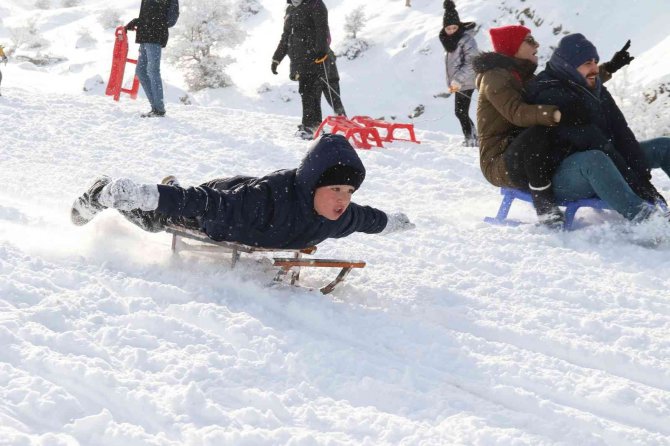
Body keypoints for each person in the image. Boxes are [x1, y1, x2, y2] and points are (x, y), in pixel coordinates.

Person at [70, 134, 415, 250]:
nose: (343, 198)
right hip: (225, 205)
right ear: (312, 187)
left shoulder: (339, 216)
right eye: (335, 188)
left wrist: (394, 222)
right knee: (157, 222)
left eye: (350, 190)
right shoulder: (262, 203)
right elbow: (203, 203)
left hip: (245, 196)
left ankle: (167, 185)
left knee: (179, 200)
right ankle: (102, 194)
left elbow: (369, 218)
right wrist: (148, 194)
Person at [473, 25, 634, 226]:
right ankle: (544, 204)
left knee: (562, 124)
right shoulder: (494, 77)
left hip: (528, 152)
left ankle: (606, 182)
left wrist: (608, 68)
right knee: (543, 128)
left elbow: (569, 82)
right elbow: (516, 112)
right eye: (529, 40)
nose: (537, 44)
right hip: (501, 160)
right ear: (513, 46)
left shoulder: (523, 75)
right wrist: (557, 114)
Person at [524, 34, 669, 223]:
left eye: (595, 61)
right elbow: (594, 142)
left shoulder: (591, 85)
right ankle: (650, 223)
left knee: (664, 146)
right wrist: (640, 186)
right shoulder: (550, 92)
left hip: (605, 159)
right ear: (569, 66)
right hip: (563, 176)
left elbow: (620, 131)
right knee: (596, 159)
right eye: (587, 63)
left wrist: (641, 174)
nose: (594, 69)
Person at [271, 0, 336, 140]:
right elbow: (286, 36)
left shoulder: (315, 4)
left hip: (314, 57)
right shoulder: (290, 9)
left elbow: (322, 28)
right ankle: (313, 126)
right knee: (305, 91)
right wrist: (276, 58)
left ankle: (310, 127)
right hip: (298, 60)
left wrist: (321, 51)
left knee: (311, 91)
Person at [125, 0, 179, 118]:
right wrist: (137, 21)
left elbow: (172, 19)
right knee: (141, 72)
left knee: (153, 71)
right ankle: (155, 107)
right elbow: (148, 14)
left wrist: (155, 23)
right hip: (145, 36)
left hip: (155, 36)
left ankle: (159, 110)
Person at [439, 1, 479, 147]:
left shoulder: (466, 39)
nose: (451, 30)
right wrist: (453, 82)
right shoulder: (449, 41)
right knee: (460, 112)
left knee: (460, 112)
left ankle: (471, 139)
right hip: (459, 82)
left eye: (454, 27)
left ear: (459, 26)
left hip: (467, 81)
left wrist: (458, 80)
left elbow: (471, 62)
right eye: (448, 28)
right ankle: (473, 137)